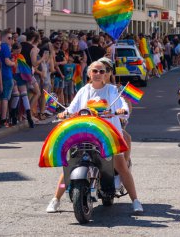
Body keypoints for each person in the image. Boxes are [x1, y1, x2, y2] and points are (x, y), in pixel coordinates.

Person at [46, 61, 143, 214]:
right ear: (89, 73)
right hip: (86, 134)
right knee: (70, 166)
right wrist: (64, 113)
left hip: (108, 135)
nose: (98, 74)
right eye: (95, 71)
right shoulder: (83, 90)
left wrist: (120, 110)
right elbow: (72, 108)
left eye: (101, 71)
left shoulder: (112, 90)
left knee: (122, 167)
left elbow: (123, 105)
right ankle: (55, 200)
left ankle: (135, 201)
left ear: (106, 74)